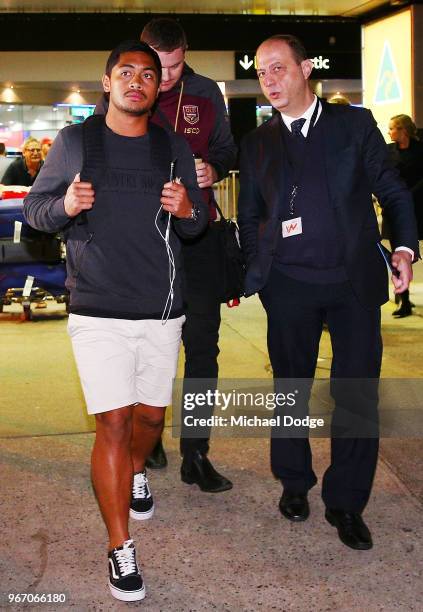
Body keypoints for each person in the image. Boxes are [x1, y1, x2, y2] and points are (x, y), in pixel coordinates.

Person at [24, 40, 207, 602]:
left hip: (160, 305)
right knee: (114, 423)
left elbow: (197, 228)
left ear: (159, 87)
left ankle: (135, 470)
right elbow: (37, 211)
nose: (137, 81)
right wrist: (66, 207)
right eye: (125, 72)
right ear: (107, 83)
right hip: (97, 307)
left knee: (150, 420)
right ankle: (118, 546)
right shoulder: (76, 142)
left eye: (148, 74)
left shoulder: (172, 147)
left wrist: (188, 211)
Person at [237, 34, 418, 551]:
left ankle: (346, 502)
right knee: (290, 389)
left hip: (352, 283)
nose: (269, 79)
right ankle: (295, 482)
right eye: (262, 71)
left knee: (357, 395)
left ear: (306, 69)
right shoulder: (257, 144)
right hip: (289, 287)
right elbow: (249, 215)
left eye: (278, 68)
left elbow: (391, 189)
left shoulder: (353, 125)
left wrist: (404, 247)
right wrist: (260, 267)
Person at [98, 18, 237, 490]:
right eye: (162, 66)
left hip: (198, 237)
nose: (168, 76)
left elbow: (226, 149)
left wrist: (212, 168)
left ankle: (196, 452)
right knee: (142, 345)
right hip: (142, 242)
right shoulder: (128, 85)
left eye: (175, 67)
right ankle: (147, 435)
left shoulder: (206, 93)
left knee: (202, 347)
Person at [385, 114, 423, 317]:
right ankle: (404, 299)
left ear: (404, 131)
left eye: (392, 128)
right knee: (398, 255)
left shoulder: (420, 151)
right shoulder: (387, 152)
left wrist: (409, 194)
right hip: (395, 212)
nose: (389, 132)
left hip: (419, 208)